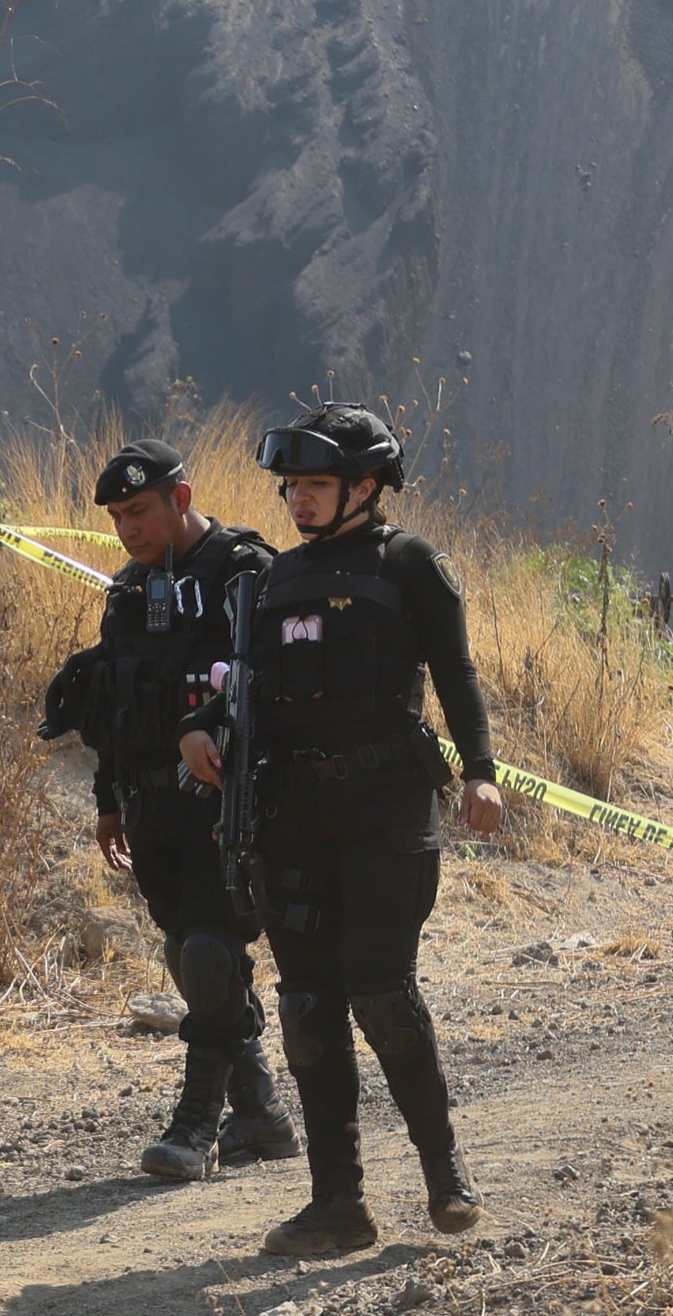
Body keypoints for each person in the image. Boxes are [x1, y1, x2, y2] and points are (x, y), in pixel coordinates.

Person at [180, 404, 505, 1255]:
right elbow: (241, 682)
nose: (297, 499)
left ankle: (444, 1175)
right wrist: (202, 724)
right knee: (305, 1006)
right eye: (291, 486)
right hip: (292, 819)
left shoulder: (409, 564)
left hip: (385, 811)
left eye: (315, 485)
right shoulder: (272, 579)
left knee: (381, 995)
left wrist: (480, 772)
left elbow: (457, 671)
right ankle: (337, 1204)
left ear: (364, 486)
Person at [41, 440, 298, 1183]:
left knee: (212, 952)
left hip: (224, 798)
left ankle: (193, 1127)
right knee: (188, 954)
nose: (127, 528)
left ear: (179, 499)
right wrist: (105, 800)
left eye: (139, 511)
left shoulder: (243, 572)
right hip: (148, 804)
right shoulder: (128, 588)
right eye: (117, 517)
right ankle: (260, 1114)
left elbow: (273, 680)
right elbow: (111, 699)